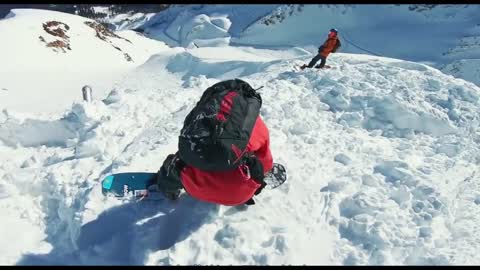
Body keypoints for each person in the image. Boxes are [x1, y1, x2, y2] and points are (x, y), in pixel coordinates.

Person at [155, 83, 274, 206]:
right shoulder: (253, 124)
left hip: (193, 187)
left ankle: (168, 187)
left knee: (180, 158)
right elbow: (266, 162)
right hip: (239, 194)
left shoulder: (202, 117)